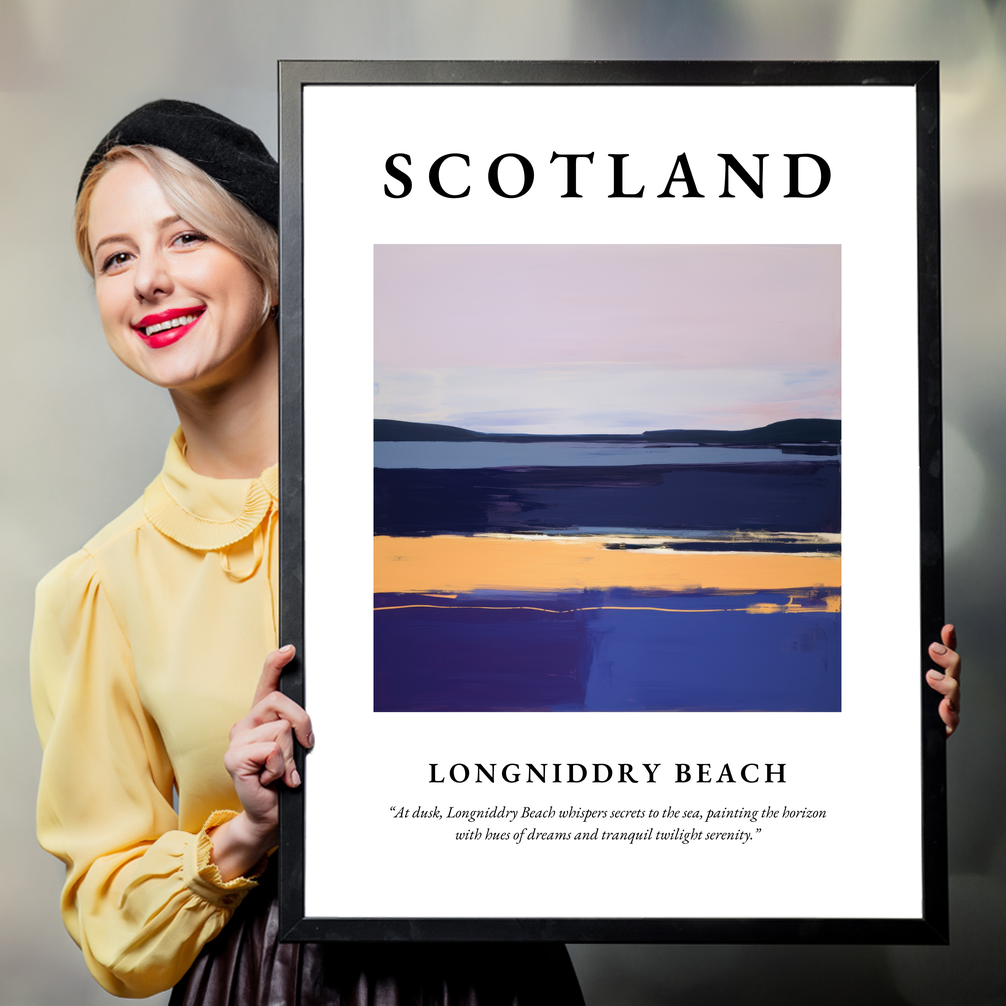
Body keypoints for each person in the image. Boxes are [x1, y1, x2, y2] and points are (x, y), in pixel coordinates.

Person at [30, 100, 585, 1004]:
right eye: (116, 257)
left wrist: (887, 708)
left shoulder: (462, 491)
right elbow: (110, 923)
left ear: (273, 263)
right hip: (262, 982)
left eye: (186, 238)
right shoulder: (98, 587)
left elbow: (618, 699)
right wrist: (245, 832)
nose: (148, 281)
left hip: (491, 973)